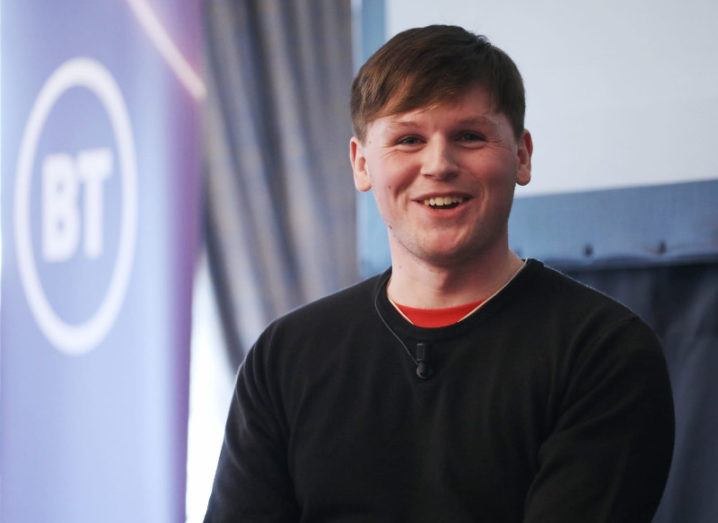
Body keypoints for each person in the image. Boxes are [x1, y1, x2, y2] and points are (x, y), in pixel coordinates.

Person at [204, 25, 674, 522]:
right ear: (362, 165)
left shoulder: (604, 352)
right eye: (408, 139)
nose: (439, 164)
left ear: (522, 155)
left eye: (469, 136)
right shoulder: (285, 357)